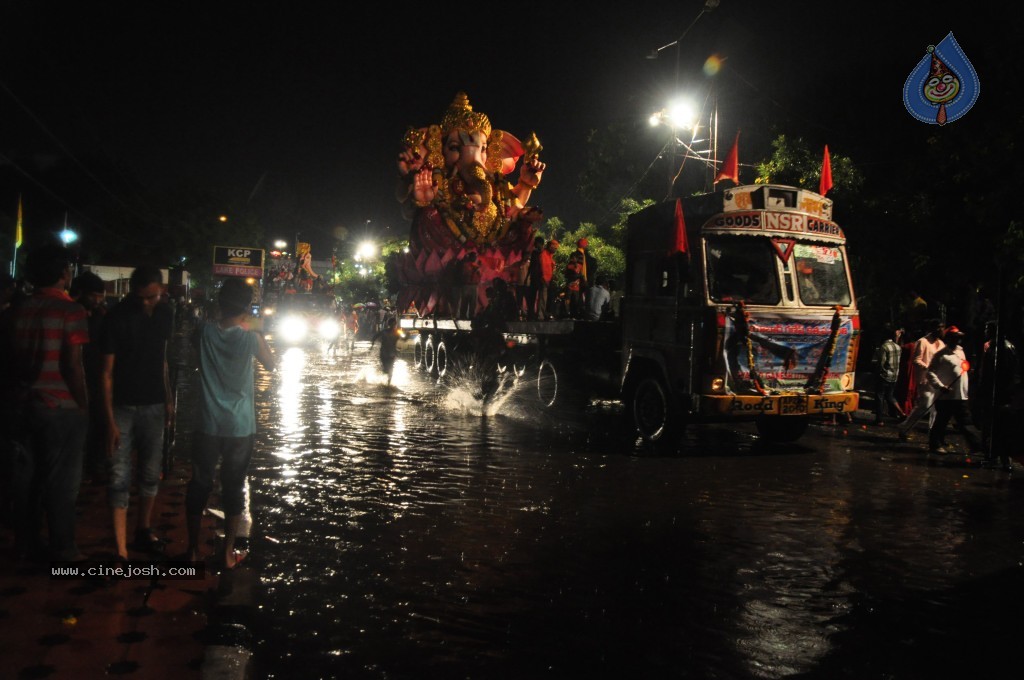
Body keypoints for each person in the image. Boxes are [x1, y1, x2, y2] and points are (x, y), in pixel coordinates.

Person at [1, 244, 90, 561]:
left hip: (21, 405)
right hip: (60, 407)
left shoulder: (15, 311)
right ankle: (63, 548)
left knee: (25, 479)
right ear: (64, 274)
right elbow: (73, 365)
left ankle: (26, 543)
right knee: (61, 482)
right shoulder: (72, 311)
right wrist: (84, 406)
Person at [185, 278, 275, 569]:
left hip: (207, 422)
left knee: (199, 482)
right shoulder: (250, 336)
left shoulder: (203, 331)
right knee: (233, 486)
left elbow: (192, 352)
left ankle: (192, 550)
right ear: (247, 307)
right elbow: (271, 363)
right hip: (239, 426)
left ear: (220, 303)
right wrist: (253, 327)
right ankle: (227, 554)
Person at [100, 265, 175, 560]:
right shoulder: (117, 317)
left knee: (149, 472)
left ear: (162, 292)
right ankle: (120, 550)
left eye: (152, 297)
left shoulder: (166, 314)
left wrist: (169, 399)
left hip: (155, 403)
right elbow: (105, 373)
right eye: (142, 298)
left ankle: (143, 529)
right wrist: (108, 420)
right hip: (122, 404)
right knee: (118, 475)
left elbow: (163, 361)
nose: (147, 303)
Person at [70, 271, 109, 484]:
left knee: (97, 425)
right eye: (95, 295)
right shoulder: (73, 314)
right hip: (73, 380)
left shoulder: (100, 316)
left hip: (95, 378)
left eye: (101, 295)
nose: (99, 300)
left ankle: (93, 466)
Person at [925, 326, 981, 455]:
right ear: (949, 338)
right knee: (942, 421)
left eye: (959, 338)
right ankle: (935, 444)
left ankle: (977, 446)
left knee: (965, 421)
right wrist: (940, 386)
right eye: (955, 338)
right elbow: (930, 373)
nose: (958, 341)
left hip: (961, 394)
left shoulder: (961, 351)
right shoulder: (940, 355)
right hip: (947, 396)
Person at [977, 321, 1019, 469]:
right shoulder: (1003, 347)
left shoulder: (999, 348)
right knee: (999, 426)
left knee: (996, 426)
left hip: (998, 394)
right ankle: (999, 457)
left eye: (988, 329)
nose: (985, 332)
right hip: (1001, 394)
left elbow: (996, 374)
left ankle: (998, 458)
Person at [897, 320, 946, 441]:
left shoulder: (941, 344)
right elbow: (916, 359)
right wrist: (928, 368)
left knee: (935, 409)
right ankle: (904, 427)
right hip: (925, 379)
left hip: (937, 380)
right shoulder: (922, 342)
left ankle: (933, 434)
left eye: (942, 328)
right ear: (932, 328)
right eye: (939, 327)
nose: (941, 330)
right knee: (924, 406)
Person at [873, 323, 905, 425]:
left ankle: (879, 419)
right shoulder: (898, 347)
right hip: (894, 376)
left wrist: (879, 373)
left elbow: (881, 363)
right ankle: (902, 413)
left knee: (879, 396)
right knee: (890, 396)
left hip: (884, 375)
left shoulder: (884, 347)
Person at [369, 317, 402, 385]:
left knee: (391, 369)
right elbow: (375, 337)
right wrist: (372, 345)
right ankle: (384, 379)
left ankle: (388, 384)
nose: (393, 325)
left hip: (392, 353)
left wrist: (406, 336)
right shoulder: (384, 331)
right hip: (384, 352)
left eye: (394, 324)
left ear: (395, 324)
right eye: (392, 324)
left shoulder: (397, 332)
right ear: (389, 324)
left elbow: (404, 338)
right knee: (386, 368)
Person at [458, 251, 482, 320]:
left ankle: (471, 317)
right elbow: (465, 274)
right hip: (467, 285)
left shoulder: (476, 266)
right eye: (474, 256)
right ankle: (462, 316)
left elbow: (480, 276)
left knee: (473, 302)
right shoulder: (466, 265)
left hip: (474, 286)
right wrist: (475, 270)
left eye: (476, 257)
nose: (475, 258)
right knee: (465, 301)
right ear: (471, 257)